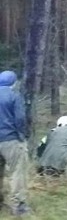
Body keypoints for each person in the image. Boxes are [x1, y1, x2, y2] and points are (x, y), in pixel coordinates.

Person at [0, 70, 30, 215]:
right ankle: (18, 205)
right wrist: (22, 136)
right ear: (14, 82)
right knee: (17, 171)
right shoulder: (14, 96)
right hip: (10, 139)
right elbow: (20, 118)